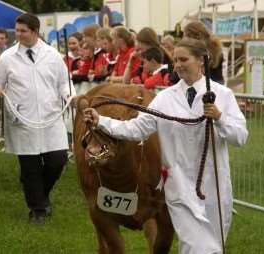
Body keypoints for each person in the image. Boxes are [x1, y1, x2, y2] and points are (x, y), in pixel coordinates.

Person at [83, 38, 248, 254]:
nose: (177, 65)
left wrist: (219, 117)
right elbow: (136, 128)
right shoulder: (164, 99)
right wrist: (101, 121)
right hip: (179, 185)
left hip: (214, 185)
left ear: (201, 61)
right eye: (175, 60)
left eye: (183, 59)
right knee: (196, 246)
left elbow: (241, 137)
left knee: (214, 246)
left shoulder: (222, 95)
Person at [0, 13, 75, 225]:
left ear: (35, 32)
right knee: (30, 168)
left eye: (23, 31)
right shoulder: (7, 57)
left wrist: (69, 95)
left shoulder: (53, 55)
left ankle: (40, 194)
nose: (18, 34)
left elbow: (64, 83)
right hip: (22, 118)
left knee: (58, 160)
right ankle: (37, 210)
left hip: (50, 117)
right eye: (16, 30)